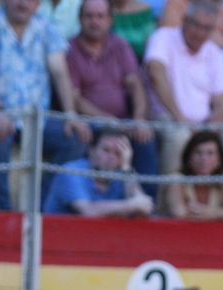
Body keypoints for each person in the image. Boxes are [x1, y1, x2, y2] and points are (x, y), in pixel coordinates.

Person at [0, 0, 91, 211]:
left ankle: (42, 207)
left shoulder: (45, 26)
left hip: (37, 119)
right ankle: (3, 211)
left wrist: (71, 115)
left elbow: (60, 72)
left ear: (38, 4)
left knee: (76, 138)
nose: (23, 3)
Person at [144, 0, 223, 199]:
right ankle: (167, 207)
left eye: (206, 28)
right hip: (166, 117)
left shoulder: (213, 51)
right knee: (179, 137)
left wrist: (210, 129)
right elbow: (155, 74)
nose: (200, 32)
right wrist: (180, 119)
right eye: (196, 25)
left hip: (204, 126)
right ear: (184, 20)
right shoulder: (164, 37)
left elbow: (222, 100)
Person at [66, 0, 157, 193]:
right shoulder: (70, 49)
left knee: (145, 139)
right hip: (90, 121)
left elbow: (136, 85)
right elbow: (75, 97)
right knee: (81, 138)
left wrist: (139, 118)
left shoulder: (119, 45)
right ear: (80, 19)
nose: (94, 22)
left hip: (123, 120)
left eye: (100, 16)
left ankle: (149, 205)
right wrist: (106, 120)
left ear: (109, 20)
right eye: (89, 16)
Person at [41, 125, 151, 214]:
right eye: (106, 150)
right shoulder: (71, 171)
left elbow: (144, 209)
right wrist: (131, 205)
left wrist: (126, 168)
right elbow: (89, 210)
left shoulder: (120, 174)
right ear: (91, 150)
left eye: (118, 153)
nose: (111, 157)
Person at [166, 127, 223, 219]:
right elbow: (179, 213)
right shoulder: (177, 179)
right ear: (189, 157)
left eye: (210, 153)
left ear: (219, 160)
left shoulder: (222, 181)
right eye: (198, 152)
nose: (204, 159)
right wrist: (217, 214)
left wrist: (213, 212)